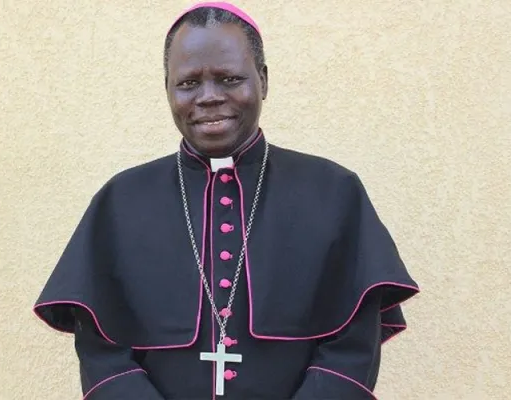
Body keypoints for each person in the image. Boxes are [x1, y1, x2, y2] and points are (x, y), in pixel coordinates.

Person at [33, 2, 420, 399]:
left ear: (264, 81)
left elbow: (353, 347)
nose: (209, 97)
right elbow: (102, 352)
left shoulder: (334, 193)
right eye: (188, 83)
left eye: (229, 78)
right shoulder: (120, 201)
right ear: (167, 87)